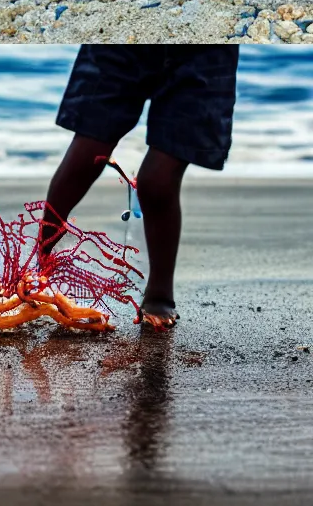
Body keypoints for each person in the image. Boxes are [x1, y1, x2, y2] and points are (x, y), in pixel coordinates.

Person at [38, 45, 239, 330]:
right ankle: (38, 267)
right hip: (121, 47)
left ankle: (159, 292)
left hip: (204, 54)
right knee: (87, 152)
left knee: (157, 180)